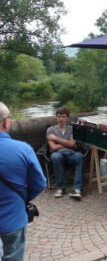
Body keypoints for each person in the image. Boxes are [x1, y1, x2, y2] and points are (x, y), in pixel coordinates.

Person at [0, 102, 46, 261]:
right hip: (12, 219)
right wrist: (22, 198)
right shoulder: (23, 149)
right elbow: (40, 184)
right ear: (6, 122)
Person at [47, 107, 85, 200]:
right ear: (56, 117)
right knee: (55, 157)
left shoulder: (72, 129)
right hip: (58, 154)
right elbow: (53, 147)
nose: (61, 119)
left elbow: (72, 144)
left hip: (71, 154)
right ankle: (61, 187)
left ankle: (77, 189)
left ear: (67, 118)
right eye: (59, 116)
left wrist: (56, 139)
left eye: (63, 117)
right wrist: (67, 143)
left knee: (80, 156)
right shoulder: (50, 130)